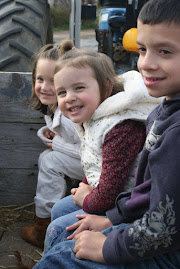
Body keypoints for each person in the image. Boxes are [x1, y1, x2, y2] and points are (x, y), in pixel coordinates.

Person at [32, 0, 180, 268]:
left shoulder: (166, 131)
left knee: (59, 257)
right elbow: (148, 187)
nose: (146, 63)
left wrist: (110, 242)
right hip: (140, 215)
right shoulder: (162, 111)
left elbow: (163, 226)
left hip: (163, 242)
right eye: (143, 50)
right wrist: (114, 217)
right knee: (62, 217)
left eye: (165, 51)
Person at [40, 39, 161, 254]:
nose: (69, 98)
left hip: (127, 204)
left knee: (58, 228)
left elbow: (109, 192)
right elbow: (95, 161)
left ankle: (61, 257)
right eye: (62, 92)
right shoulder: (95, 118)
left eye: (79, 88)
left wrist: (86, 199)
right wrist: (84, 186)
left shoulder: (120, 129)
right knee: (59, 208)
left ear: (105, 88)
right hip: (109, 195)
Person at [21, 42, 84, 249]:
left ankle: (43, 227)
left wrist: (57, 144)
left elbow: (90, 150)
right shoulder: (57, 107)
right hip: (92, 162)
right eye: (40, 79)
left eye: (53, 80)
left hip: (104, 166)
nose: (45, 87)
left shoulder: (69, 114)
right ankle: (47, 221)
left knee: (48, 161)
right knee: (48, 159)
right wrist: (52, 136)